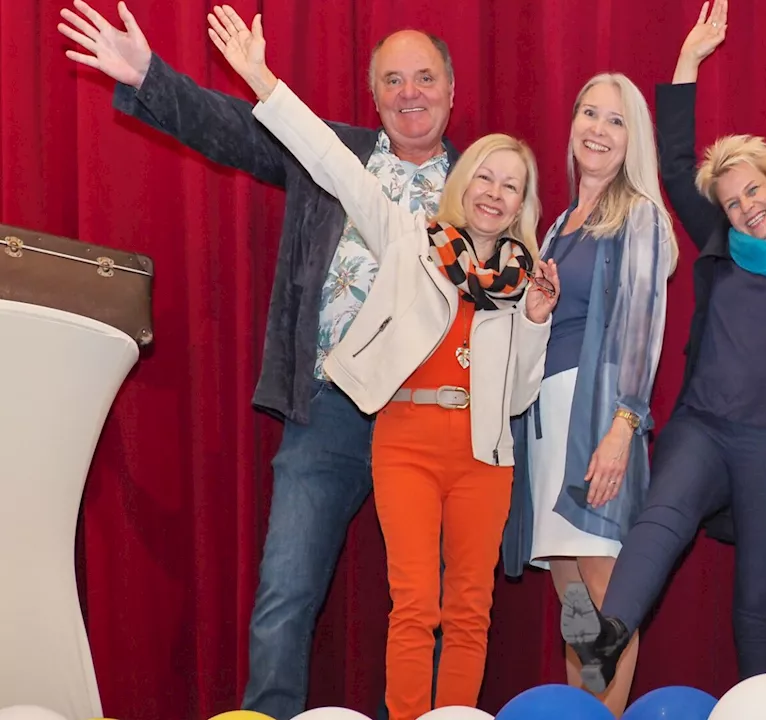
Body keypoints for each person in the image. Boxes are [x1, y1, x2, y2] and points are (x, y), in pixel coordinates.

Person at [59, 2, 460, 717]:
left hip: (427, 419)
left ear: (451, 90)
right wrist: (149, 74)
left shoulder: (486, 183)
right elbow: (235, 129)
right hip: (330, 411)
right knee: (285, 592)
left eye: (424, 78)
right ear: (374, 95)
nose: (410, 94)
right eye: (393, 80)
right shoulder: (330, 149)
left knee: (427, 605)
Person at [204, 8, 558, 717]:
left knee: (467, 613)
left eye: (509, 185)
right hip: (393, 429)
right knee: (396, 603)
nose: (492, 192)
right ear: (465, 186)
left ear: (523, 204)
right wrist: (261, 80)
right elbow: (334, 164)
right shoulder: (414, 237)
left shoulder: (524, 280)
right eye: (483, 179)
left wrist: (538, 322)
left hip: (478, 453)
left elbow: (517, 395)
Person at [559, 2, 766, 693]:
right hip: (705, 427)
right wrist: (687, 63)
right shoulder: (721, 243)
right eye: (732, 202)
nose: (745, 208)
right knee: (663, 517)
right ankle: (607, 638)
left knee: (757, 610)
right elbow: (675, 162)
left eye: (753, 191)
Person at [500, 71, 676, 717]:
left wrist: (623, 427)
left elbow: (641, 328)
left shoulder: (640, 216)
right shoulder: (556, 227)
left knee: (608, 595)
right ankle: (583, 708)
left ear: (634, 140)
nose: (597, 130)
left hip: (599, 419)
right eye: (589, 114)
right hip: (550, 424)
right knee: (574, 598)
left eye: (615, 119)